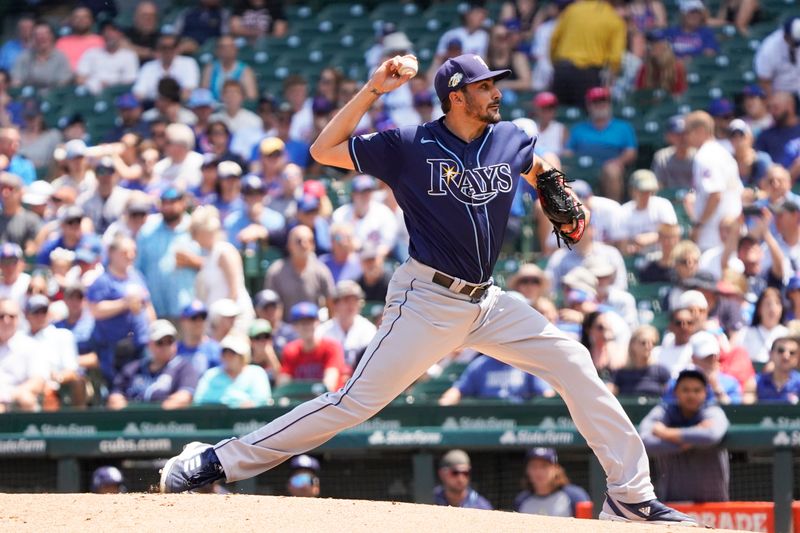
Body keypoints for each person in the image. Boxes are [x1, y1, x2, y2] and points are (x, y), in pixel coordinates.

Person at [158, 52, 697, 527]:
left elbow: (538, 168)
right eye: (486, 86)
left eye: (496, 84)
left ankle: (630, 496)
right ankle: (215, 461)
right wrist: (374, 90)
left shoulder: (509, 137)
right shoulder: (409, 143)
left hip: (487, 301)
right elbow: (325, 150)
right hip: (426, 299)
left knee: (575, 362)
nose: (497, 93)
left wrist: (554, 186)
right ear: (456, 96)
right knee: (351, 403)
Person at [640, 368, 730, 502]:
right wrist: (692, 439)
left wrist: (666, 433)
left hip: (713, 503)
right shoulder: (665, 411)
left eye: (697, 390)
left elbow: (712, 435)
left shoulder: (713, 411)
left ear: (705, 393)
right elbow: (643, 440)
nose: (691, 395)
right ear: (676, 392)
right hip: (673, 504)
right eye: (686, 390)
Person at [88, 235, 154, 386]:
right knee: (119, 386)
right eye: (125, 252)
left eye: (133, 252)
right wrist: (124, 304)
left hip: (141, 341)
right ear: (111, 253)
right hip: (115, 348)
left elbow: (148, 305)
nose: (130, 256)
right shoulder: (103, 280)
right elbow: (95, 310)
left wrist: (153, 328)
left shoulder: (136, 276)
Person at [563, 87, 638, 201]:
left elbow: (631, 152)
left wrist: (618, 161)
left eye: (603, 101)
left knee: (612, 171)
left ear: (609, 104)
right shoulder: (578, 128)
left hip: (607, 167)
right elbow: (568, 153)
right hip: (582, 168)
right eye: (595, 102)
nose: (600, 105)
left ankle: (614, 211)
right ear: (589, 106)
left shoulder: (623, 127)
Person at [683, 111, 743, 251]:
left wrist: (699, 225)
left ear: (700, 131)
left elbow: (715, 195)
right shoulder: (722, 152)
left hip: (714, 236)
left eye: (688, 132)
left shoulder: (705, 156)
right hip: (728, 231)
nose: (685, 137)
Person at [549, 0, 626, 107]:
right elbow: (615, 59)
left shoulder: (572, 10)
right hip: (589, 75)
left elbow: (554, 40)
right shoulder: (613, 18)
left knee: (558, 116)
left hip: (563, 71)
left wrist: (556, 64)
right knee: (585, 119)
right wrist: (609, 83)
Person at [135, 187, 198, 319]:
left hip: (187, 310)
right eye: (165, 202)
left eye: (173, 202)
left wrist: (194, 261)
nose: (168, 207)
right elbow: (137, 270)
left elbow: (211, 264)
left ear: (183, 203)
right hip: (155, 309)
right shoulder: (147, 231)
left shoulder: (194, 227)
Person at [108, 320, 199, 410]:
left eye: (170, 341)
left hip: (167, 422)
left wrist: (152, 417)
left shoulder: (184, 368)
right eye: (160, 342)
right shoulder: (133, 368)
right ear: (149, 344)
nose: (166, 346)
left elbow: (184, 398)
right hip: (131, 422)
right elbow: (115, 397)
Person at [190, 205, 255, 329]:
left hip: (233, 320)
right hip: (218, 322)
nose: (194, 237)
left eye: (196, 232)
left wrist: (226, 319)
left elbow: (234, 290)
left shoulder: (224, 251)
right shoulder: (209, 255)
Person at [25, 294, 85, 409]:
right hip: (27, 387)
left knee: (77, 383)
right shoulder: (20, 339)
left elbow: (72, 370)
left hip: (56, 386)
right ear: (27, 315)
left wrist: (57, 379)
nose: (40, 316)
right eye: (36, 312)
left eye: (44, 311)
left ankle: (79, 424)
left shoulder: (62, 335)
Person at [277, 302, 347, 393]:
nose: (306, 326)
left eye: (310, 321)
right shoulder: (290, 350)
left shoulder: (332, 347)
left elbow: (329, 384)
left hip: (330, 402)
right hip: (301, 402)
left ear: (317, 322)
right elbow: (283, 385)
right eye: (301, 322)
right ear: (294, 326)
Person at [263, 225, 334, 312]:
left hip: (314, 322)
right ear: (289, 245)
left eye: (309, 241)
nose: (304, 245)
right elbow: (270, 304)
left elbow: (331, 301)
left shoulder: (321, 270)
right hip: (285, 324)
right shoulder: (276, 271)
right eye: (299, 241)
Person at [438, 354, 554, 405]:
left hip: (521, 418)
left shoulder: (526, 362)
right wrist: (445, 403)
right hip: (487, 420)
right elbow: (459, 389)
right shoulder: (480, 365)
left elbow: (546, 392)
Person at [193, 333, 271, 408]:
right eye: (224, 352)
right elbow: (199, 400)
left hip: (249, 420)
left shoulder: (257, 373)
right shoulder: (210, 375)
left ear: (242, 357)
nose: (227, 356)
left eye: (232, 353)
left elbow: (263, 401)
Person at [0, 298, 47, 412]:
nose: (6, 320)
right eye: (1, 316)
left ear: (19, 319)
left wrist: (9, 395)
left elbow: (38, 381)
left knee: (27, 399)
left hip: (16, 400)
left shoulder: (30, 346)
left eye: (11, 316)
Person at [513, 447, 590, 517]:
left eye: (544, 466)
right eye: (533, 466)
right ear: (527, 470)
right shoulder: (521, 500)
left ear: (556, 469)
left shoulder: (575, 496)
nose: (538, 471)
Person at [316, 281, 377, 369]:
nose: (351, 305)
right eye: (346, 300)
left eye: (355, 300)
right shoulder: (322, 330)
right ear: (335, 304)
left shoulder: (368, 329)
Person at [618, 169, 678, 255]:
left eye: (649, 191)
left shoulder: (663, 204)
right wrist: (631, 247)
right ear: (633, 190)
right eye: (642, 191)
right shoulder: (623, 211)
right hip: (636, 258)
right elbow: (622, 245)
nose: (646, 195)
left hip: (661, 256)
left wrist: (652, 237)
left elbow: (673, 233)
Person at [75, 20, 139, 95]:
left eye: (113, 31)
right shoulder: (91, 53)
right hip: (91, 95)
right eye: (106, 31)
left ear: (120, 34)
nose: (109, 34)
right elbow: (80, 78)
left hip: (117, 95)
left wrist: (110, 85)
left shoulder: (129, 56)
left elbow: (130, 81)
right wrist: (94, 84)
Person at [132, 33, 200, 102]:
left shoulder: (188, 63)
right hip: (153, 106)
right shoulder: (148, 67)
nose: (167, 51)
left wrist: (168, 103)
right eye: (164, 47)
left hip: (178, 105)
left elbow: (188, 92)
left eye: (171, 47)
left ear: (177, 48)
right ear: (158, 49)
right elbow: (138, 93)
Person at [611, 325, 671, 398]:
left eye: (653, 343)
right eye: (644, 342)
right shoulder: (620, 374)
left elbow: (670, 396)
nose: (649, 346)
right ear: (632, 344)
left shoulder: (661, 371)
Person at [11, 22, 73, 90]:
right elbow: (16, 81)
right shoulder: (24, 56)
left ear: (52, 37)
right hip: (28, 96)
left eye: (45, 34)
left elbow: (63, 83)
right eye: (37, 35)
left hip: (54, 95)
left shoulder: (61, 57)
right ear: (33, 38)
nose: (41, 37)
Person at [736, 287, 789, 363]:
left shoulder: (787, 335)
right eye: (768, 304)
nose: (772, 309)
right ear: (759, 309)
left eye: (777, 303)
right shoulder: (745, 333)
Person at [200, 35, 257, 101]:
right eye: (223, 47)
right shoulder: (210, 68)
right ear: (217, 50)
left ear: (236, 49)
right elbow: (203, 94)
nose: (227, 50)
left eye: (230, 47)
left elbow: (251, 97)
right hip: (213, 107)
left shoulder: (245, 70)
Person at [754, 18, 800, 98]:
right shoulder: (769, 48)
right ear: (786, 36)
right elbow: (764, 80)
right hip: (780, 93)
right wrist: (773, 100)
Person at [635, 30, 687, 95]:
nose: (650, 46)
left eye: (655, 43)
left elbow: (680, 95)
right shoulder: (645, 67)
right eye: (649, 43)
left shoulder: (676, 67)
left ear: (665, 46)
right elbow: (639, 93)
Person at [0, 172, 41, 252]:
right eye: (1, 188)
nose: (5, 193)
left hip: (18, 263)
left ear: (20, 192)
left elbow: (31, 250)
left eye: (10, 188)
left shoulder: (31, 220)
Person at [176, 300, 220, 374]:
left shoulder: (215, 350)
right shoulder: (174, 349)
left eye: (203, 317)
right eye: (194, 318)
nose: (199, 322)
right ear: (183, 321)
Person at [755, 92, 800, 163]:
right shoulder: (765, 136)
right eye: (770, 108)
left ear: (790, 106)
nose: (772, 112)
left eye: (776, 108)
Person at [55, 6, 104, 70]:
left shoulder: (101, 41)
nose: (81, 20)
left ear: (92, 20)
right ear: (71, 20)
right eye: (77, 17)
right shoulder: (61, 42)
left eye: (85, 17)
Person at [757, 336, 800, 403]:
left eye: (792, 353)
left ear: (797, 357)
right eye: (781, 351)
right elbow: (748, 410)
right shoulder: (756, 382)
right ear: (770, 354)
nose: (786, 356)